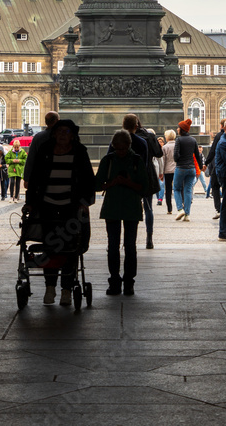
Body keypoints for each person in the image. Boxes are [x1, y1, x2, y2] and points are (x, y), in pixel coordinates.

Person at [25, 118, 95, 306]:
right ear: (54, 134)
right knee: (50, 247)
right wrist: (30, 203)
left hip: (70, 208)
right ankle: (50, 287)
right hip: (47, 206)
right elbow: (35, 179)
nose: (63, 136)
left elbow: (89, 179)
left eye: (67, 132)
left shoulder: (80, 152)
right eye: (60, 132)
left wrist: (85, 202)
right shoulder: (45, 151)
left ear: (72, 135)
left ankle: (66, 289)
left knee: (70, 248)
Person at [95, 129, 149, 296]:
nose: (120, 152)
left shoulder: (136, 160)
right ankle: (115, 280)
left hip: (130, 207)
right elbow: (97, 185)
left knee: (130, 246)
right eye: (117, 148)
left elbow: (145, 187)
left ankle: (128, 281)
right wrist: (111, 184)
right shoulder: (108, 160)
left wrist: (126, 182)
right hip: (113, 207)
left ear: (128, 146)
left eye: (122, 149)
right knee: (113, 246)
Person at [134, 117, 162, 249]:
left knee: (130, 206)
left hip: (131, 173)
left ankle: (130, 238)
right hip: (147, 171)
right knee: (148, 206)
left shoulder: (126, 136)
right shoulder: (149, 136)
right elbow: (159, 153)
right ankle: (149, 238)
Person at [172, 118, 201, 221]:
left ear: (182, 129)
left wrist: (177, 159)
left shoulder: (179, 140)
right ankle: (187, 214)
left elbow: (175, 155)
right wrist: (201, 167)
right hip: (191, 168)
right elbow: (197, 156)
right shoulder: (193, 140)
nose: (177, 129)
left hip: (181, 168)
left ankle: (180, 210)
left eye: (178, 128)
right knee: (188, 190)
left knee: (177, 189)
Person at [23, 110, 59, 188]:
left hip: (41, 176)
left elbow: (31, 158)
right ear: (57, 121)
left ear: (46, 122)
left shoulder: (38, 137)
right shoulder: (64, 137)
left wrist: (27, 178)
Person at [205, 120, 226, 217]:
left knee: (215, 185)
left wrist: (206, 163)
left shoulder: (218, 136)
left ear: (221, 126)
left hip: (218, 165)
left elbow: (212, 151)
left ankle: (218, 209)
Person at [161, 129, 177, 213]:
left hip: (167, 170)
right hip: (177, 169)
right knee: (179, 188)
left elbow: (163, 161)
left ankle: (169, 208)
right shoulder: (177, 145)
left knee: (168, 190)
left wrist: (161, 172)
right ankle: (181, 206)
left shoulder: (165, 147)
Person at [155, 136, 165, 206]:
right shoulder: (155, 150)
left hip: (165, 169)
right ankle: (158, 198)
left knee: (161, 185)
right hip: (157, 170)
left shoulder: (164, 149)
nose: (159, 143)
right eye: (158, 142)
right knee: (157, 185)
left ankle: (160, 199)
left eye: (161, 142)